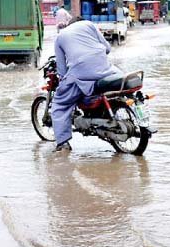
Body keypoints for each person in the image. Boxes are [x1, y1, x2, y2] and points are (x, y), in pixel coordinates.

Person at [51, 16, 121, 152]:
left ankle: (63, 143)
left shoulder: (60, 36)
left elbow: (61, 69)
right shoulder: (89, 24)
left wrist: (63, 80)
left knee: (60, 104)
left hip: (81, 73)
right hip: (105, 69)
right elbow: (107, 48)